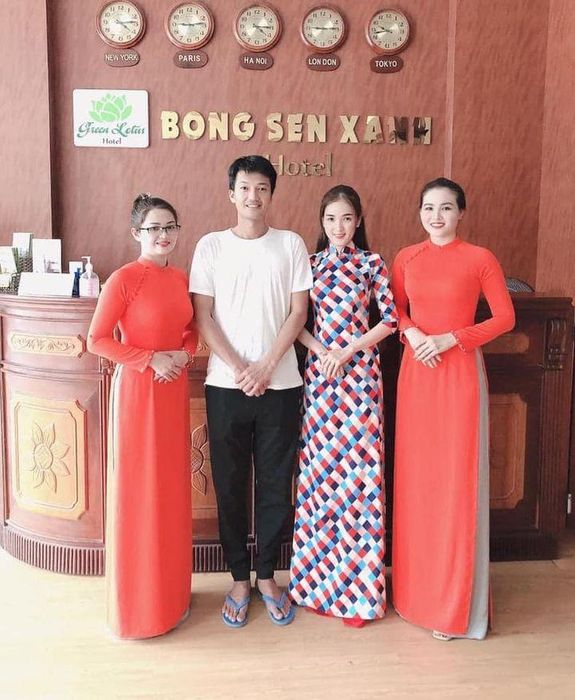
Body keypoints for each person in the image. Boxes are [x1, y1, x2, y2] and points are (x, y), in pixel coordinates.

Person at [190, 155, 312, 628]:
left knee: (277, 485)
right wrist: (243, 368)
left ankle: (267, 576)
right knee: (230, 483)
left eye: (261, 187)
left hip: (281, 384)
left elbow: (298, 312)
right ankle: (239, 578)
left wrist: (265, 366)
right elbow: (203, 315)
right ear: (231, 193)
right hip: (226, 385)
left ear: (271, 193)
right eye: (244, 187)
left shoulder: (290, 244)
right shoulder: (211, 246)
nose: (253, 196)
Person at [391, 177, 515, 641]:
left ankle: (455, 608)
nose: (436, 216)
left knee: (455, 484)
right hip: (416, 374)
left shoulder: (480, 258)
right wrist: (413, 334)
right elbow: (394, 310)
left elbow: (505, 318)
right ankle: (414, 596)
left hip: (460, 374)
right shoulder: (406, 257)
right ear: (419, 213)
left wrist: (452, 339)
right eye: (428, 208)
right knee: (418, 483)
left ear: (461, 212)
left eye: (446, 208)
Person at [88, 194, 197, 639]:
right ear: (137, 233)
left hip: (174, 392)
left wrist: (183, 354)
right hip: (138, 392)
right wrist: (150, 359)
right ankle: (137, 611)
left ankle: (171, 599)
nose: (163, 235)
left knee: (170, 491)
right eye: (154, 228)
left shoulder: (181, 277)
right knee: (139, 493)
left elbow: (191, 331)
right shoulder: (124, 279)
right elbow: (97, 339)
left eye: (170, 226)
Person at [288, 185, 397, 627]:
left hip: (360, 378)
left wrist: (348, 350)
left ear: (358, 221)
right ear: (322, 222)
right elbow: (294, 322)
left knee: (359, 479)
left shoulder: (372, 263)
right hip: (321, 378)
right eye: (331, 218)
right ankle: (315, 586)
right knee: (320, 480)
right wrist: (323, 352)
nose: (339, 226)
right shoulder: (309, 264)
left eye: (347, 218)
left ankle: (359, 595)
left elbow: (391, 320)